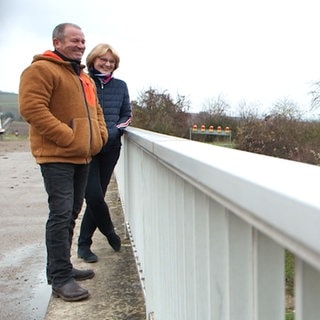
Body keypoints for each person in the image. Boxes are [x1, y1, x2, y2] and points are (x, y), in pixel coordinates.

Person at [19, 23, 108, 302]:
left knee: (70, 214)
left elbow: (97, 111)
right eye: (74, 40)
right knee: (60, 215)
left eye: (83, 41)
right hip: (57, 155)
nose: (80, 45)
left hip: (82, 155)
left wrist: (99, 137)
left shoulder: (83, 76)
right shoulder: (41, 70)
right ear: (57, 42)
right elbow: (32, 109)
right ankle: (60, 279)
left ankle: (63, 268)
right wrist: (69, 136)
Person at [77, 43, 132, 263]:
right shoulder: (83, 81)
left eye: (111, 61)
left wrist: (112, 133)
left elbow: (126, 115)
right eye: (103, 60)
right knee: (94, 195)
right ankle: (110, 232)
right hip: (87, 148)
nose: (107, 64)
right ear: (93, 60)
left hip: (110, 148)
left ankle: (83, 244)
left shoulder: (120, 86)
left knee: (97, 193)